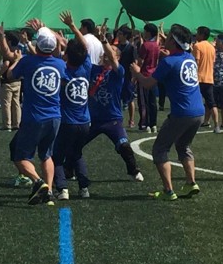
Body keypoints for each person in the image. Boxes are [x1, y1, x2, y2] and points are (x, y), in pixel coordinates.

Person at [0, 20, 66, 205]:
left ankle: (38, 182)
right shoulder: (59, 64)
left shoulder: (27, 61)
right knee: (46, 155)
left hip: (34, 117)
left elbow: (10, 76)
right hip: (55, 117)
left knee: (20, 156)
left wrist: (17, 60)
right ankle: (49, 192)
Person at [132, 24, 205, 199]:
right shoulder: (189, 58)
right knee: (183, 145)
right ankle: (190, 183)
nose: (165, 40)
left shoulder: (168, 62)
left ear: (174, 41)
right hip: (199, 112)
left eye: (169, 37)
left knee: (160, 149)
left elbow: (148, 84)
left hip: (182, 112)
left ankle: (168, 191)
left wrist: (136, 73)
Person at [81, 23, 143, 186]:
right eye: (105, 55)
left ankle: (134, 170)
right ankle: (68, 170)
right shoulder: (93, 69)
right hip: (93, 119)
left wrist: (104, 41)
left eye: (109, 55)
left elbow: (114, 59)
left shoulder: (118, 72)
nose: (105, 57)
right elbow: (83, 48)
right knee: (74, 144)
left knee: (124, 146)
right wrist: (73, 28)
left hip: (112, 119)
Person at [53, 11, 93, 200]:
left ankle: (62, 189)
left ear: (67, 55)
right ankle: (84, 188)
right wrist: (72, 26)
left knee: (57, 155)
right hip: (85, 122)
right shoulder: (86, 67)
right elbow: (84, 46)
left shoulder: (63, 70)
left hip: (67, 122)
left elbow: (55, 59)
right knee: (77, 154)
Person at [136, 23, 160, 133]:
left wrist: (135, 74)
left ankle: (145, 124)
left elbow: (140, 61)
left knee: (143, 101)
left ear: (148, 33)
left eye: (145, 31)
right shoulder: (156, 45)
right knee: (152, 101)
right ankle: (153, 123)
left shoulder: (145, 45)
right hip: (154, 75)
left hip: (144, 75)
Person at [192, 26, 217, 129]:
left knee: (194, 102)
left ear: (202, 35)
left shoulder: (197, 46)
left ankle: (192, 123)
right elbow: (213, 63)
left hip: (198, 78)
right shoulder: (212, 47)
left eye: (197, 33)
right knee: (211, 103)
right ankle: (216, 125)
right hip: (209, 78)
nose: (196, 35)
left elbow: (195, 63)